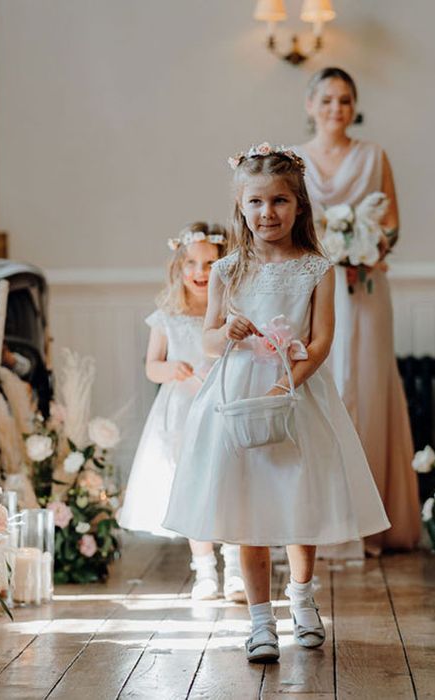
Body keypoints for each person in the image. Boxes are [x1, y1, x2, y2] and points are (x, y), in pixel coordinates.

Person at [162, 145, 389, 663]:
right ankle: (260, 620)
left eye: (281, 201)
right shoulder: (226, 271)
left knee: (297, 500)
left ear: (299, 206)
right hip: (239, 400)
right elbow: (209, 340)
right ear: (241, 207)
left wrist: (286, 384)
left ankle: (303, 601)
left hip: (297, 393)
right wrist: (228, 331)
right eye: (257, 203)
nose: (269, 213)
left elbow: (322, 340)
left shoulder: (316, 268)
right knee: (248, 508)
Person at [292, 67, 420, 555]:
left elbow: (392, 226)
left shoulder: (373, 155)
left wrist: (364, 248)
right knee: (320, 392)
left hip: (365, 288)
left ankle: (370, 524)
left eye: (344, 100)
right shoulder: (294, 159)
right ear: (310, 105)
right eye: (326, 100)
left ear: (354, 105)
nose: (335, 109)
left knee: (366, 389)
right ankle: (318, 521)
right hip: (312, 289)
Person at [118, 224, 245, 602]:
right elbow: (151, 366)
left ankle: (236, 567)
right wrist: (170, 369)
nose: (200, 272)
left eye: (209, 264)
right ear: (179, 266)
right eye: (191, 263)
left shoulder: (230, 311)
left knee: (230, 485)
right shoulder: (168, 314)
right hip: (182, 413)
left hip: (223, 407)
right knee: (193, 488)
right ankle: (205, 569)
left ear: (224, 266)